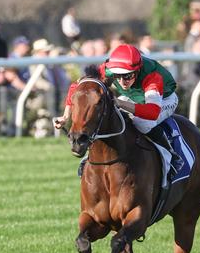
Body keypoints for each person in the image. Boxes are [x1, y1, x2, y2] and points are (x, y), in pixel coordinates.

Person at [54, 44, 182, 176]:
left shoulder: (152, 77)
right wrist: (65, 116)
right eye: (117, 76)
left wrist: (120, 103)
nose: (121, 81)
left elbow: (152, 112)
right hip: (133, 97)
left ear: (137, 70)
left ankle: (172, 156)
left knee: (142, 123)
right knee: (109, 115)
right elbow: (77, 87)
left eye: (127, 76)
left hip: (164, 100)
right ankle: (89, 156)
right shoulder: (108, 69)